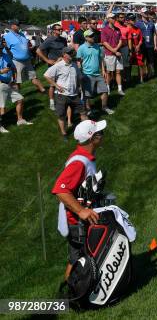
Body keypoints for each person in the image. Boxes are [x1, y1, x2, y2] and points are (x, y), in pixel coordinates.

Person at [51, 119, 106, 280]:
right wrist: (81, 211)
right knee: (79, 259)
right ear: (91, 139)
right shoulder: (79, 162)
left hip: (78, 220)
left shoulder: (84, 157)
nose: (103, 136)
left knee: (77, 257)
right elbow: (60, 190)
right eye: (100, 133)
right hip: (76, 222)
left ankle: (74, 291)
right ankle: (71, 293)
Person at [44, 47, 88, 140]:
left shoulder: (74, 65)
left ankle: (87, 131)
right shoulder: (58, 65)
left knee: (83, 112)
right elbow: (46, 75)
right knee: (61, 115)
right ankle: (64, 134)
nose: (72, 54)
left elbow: (79, 77)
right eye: (69, 53)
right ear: (64, 55)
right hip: (62, 95)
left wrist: (80, 86)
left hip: (74, 94)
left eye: (72, 52)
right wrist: (56, 86)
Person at [77, 30, 113, 115]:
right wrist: (80, 74)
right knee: (87, 94)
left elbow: (100, 60)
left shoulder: (97, 46)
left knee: (105, 90)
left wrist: (103, 70)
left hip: (98, 74)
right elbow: (79, 62)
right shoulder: (81, 48)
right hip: (87, 75)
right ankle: (88, 110)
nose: (93, 37)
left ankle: (104, 107)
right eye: (91, 36)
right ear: (86, 38)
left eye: (93, 35)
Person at [3, 20, 46, 93]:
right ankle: (18, 97)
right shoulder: (7, 36)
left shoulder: (22, 34)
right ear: (12, 26)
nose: (19, 26)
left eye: (19, 24)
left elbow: (24, 45)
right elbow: (5, 50)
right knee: (17, 80)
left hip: (27, 60)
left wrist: (29, 53)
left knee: (34, 76)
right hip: (16, 61)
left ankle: (43, 90)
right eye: (17, 25)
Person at [0, 39, 33, 133]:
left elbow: (12, 68)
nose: (1, 50)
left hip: (8, 83)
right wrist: (1, 71)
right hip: (0, 84)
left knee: (20, 99)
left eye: (1, 48)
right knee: (2, 107)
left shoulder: (6, 55)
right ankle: (1, 126)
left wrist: (14, 80)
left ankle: (20, 120)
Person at [37, 24, 68, 110]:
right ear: (54, 30)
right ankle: (51, 101)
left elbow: (64, 51)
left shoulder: (63, 40)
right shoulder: (49, 40)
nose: (61, 31)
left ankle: (62, 100)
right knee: (52, 84)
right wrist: (47, 60)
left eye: (61, 29)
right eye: (59, 29)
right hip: (53, 65)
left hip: (62, 64)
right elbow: (38, 51)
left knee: (63, 82)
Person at [101, 13, 125, 96]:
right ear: (108, 19)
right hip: (109, 54)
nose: (114, 19)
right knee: (109, 73)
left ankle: (119, 89)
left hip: (117, 53)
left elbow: (121, 41)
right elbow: (104, 42)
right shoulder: (104, 30)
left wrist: (116, 50)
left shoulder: (117, 29)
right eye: (112, 18)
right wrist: (115, 51)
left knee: (118, 72)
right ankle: (107, 89)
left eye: (114, 17)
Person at [136, 10, 157, 79]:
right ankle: (141, 75)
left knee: (149, 61)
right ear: (141, 13)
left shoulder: (151, 23)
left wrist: (155, 45)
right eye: (145, 13)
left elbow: (154, 34)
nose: (146, 14)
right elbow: (135, 34)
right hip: (142, 45)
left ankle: (149, 74)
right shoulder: (138, 23)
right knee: (141, 61)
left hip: (150, 45)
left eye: (147, 13)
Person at [127, 15, 145, 83]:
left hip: (137, 50)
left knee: (140, 64)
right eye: (132, 20)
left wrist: (138, 46)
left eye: (134, 19)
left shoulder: (137, 29)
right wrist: (133, 46)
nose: (134, 21)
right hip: (130, 50)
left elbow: (141, 39)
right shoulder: (127, 29)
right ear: (128, 21)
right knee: (129, 64)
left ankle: (141, 78)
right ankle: (128, 78)